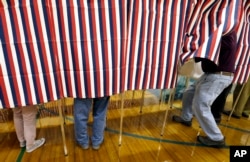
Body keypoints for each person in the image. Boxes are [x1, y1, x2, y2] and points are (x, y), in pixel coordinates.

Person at [173, 31, 237, 148]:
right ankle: (186, 118)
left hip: (218, 76)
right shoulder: (224, 34)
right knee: (189, 92)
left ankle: (217, 138)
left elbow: (207, 51)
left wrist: (187, 53)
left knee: (200, 105)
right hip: (211, 74)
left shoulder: (226, 35)